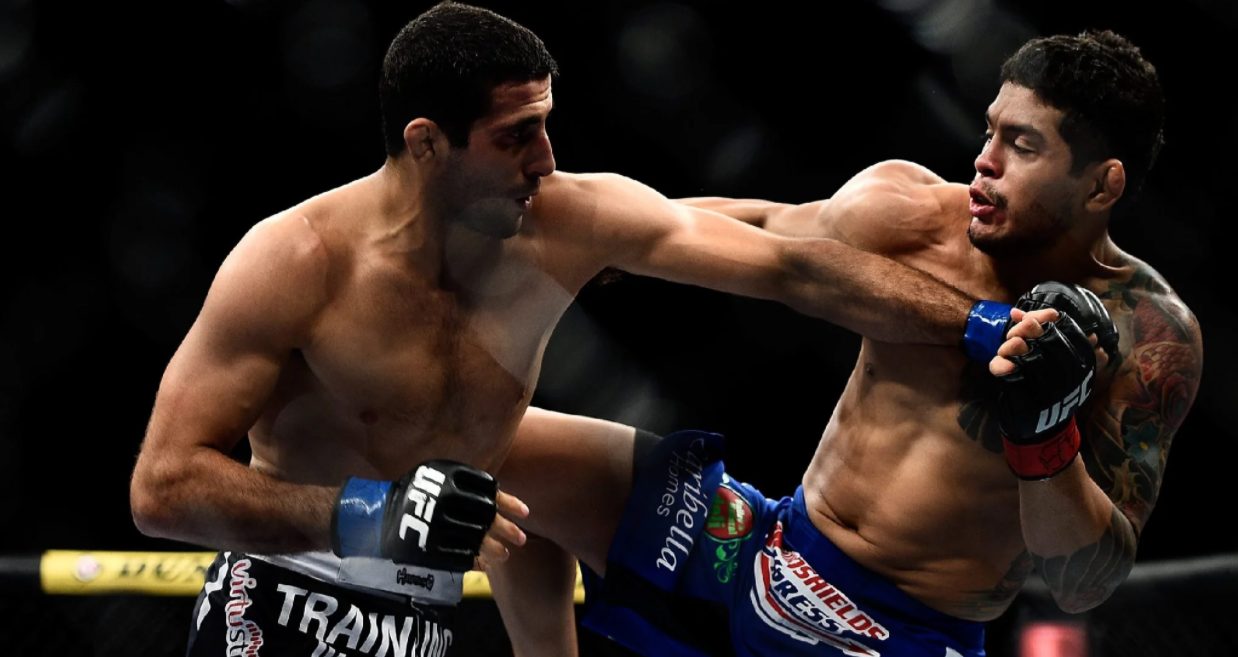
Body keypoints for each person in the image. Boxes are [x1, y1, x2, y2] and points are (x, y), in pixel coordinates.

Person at [127, 3, 1018, 656]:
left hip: (423, 622)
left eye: (546, 126)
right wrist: (369, 514)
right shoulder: (297, 260)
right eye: (516, 136)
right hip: (289, 595)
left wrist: (986, 324)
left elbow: (793, 264)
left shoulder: (566, 221)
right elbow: (161, 487)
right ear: (427, 143)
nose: (545, 159)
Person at [492, 30, 1202, 656]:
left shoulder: (1147, 336)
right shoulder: (913, 216)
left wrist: (1045, 441)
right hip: (769, 548)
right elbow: (769, 230)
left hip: (903, 634)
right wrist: (595, 242)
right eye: (989, 132)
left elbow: (1084, 581)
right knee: (497, 445)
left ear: (1101, 185)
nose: (984, 162)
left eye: (1022, 146)